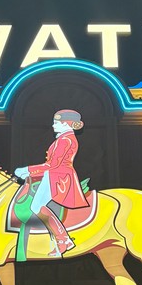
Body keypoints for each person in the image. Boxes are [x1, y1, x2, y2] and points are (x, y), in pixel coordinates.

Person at [15, 109, 89, 257]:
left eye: (56, 122)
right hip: (53, 175)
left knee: (36, 206)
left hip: (58, 177)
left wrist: (28, 170)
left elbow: (53, 165)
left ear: (66, 124)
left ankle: (63, 239)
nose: (53, 125)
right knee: (36, 205)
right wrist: (30, 173)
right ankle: (62, 239)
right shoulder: (63, 138)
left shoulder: (65, 140)